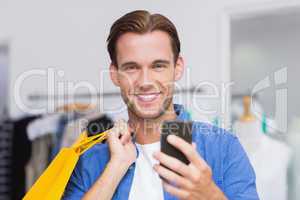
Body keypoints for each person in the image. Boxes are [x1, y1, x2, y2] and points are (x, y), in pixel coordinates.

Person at [63, 10, 259, 200]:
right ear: (114, 74)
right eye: (131, 67)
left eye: (158, 66)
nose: (146, 81)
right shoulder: (90, 162)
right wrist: (115, 168)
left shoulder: (223, 148)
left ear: (178, 68)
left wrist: (210, 196)